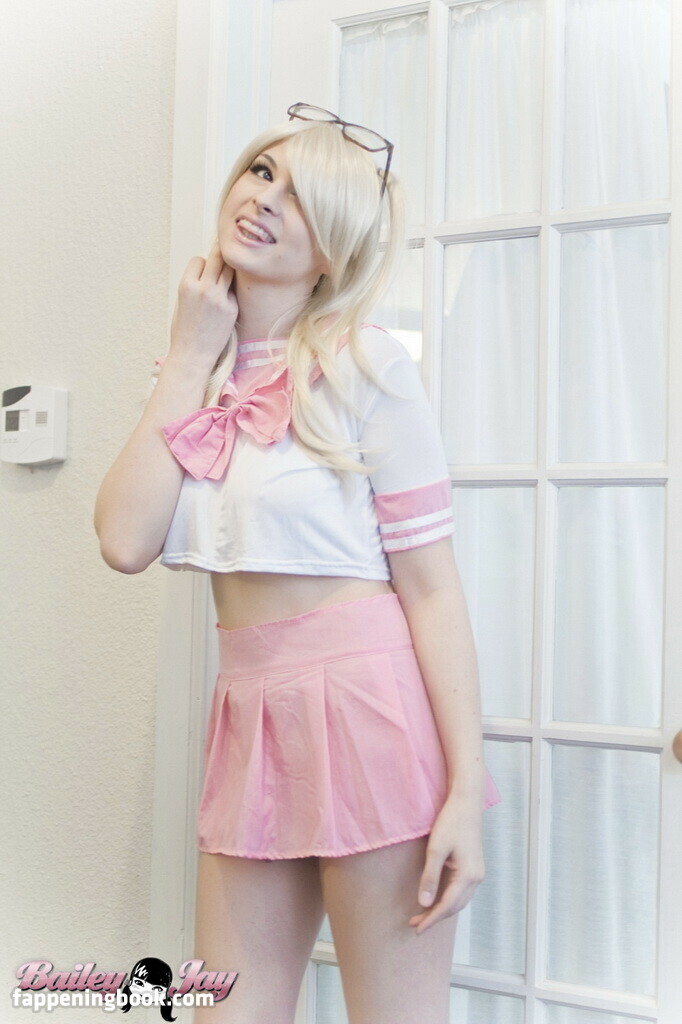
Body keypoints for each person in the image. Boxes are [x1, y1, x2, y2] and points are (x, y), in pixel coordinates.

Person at [94, 102, 501, 1024]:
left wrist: (463, 791)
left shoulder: (368, 365)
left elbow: (434, 591)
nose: (266, 198)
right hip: (249, 710)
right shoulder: (194, 375)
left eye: (303, 197)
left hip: (367, 705)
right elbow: (122, 541)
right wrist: (189, 356)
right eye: (262, 171)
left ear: (334, 251)